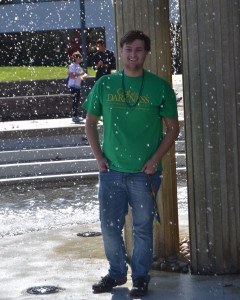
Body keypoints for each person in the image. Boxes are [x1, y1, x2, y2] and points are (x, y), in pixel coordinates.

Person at [83, 30, 179, 297]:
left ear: (146, 53)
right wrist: (98, 157)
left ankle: (139, 277)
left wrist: (155, 159)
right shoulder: (105, 84)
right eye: (128, 49)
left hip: (144, 174)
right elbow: (90, 122)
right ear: (121, 51)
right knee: (110, 227)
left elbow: (173, 128)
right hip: (111, 171)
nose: (132, 54)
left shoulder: (159, 87)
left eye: (138, 50)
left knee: (142, 229)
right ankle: (116, 273)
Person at [67, 51, 87, 123]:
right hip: (73, 86)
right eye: (80, 57)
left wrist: (83, 77)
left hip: (77, 86)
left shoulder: (78, 66)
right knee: (75, 101)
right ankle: (74, 116)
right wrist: (80, 74)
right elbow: (72, 76)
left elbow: (78, 76)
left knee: (77, 101)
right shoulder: (73, 65)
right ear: (76, 58)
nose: (81, 59)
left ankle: (76, 115)